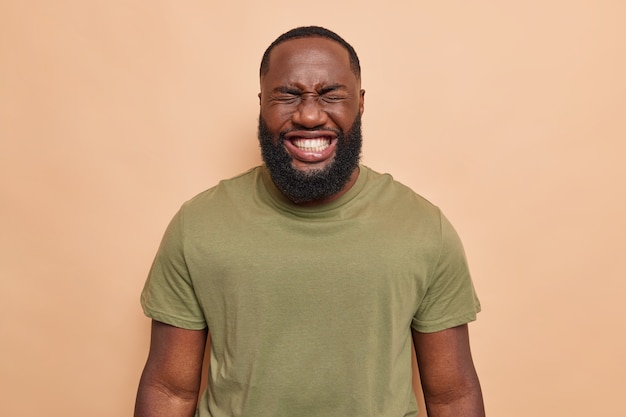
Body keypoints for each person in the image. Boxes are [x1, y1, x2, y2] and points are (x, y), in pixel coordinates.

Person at [135, 26, 485, 417]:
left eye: (331, 94)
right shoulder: (197, 225)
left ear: (361, 103)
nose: (309, 114)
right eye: (287, 95)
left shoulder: (424, 229)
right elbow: (169, 389)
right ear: (262, 103)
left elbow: (451, 395)